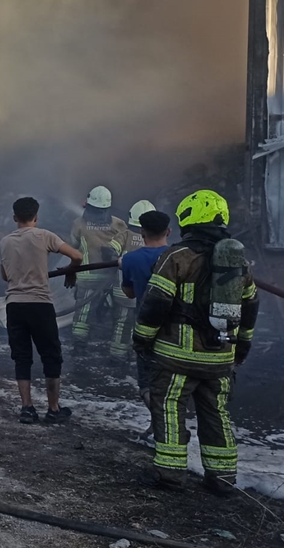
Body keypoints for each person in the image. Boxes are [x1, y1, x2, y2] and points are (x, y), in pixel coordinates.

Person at [134, 190, 258, 496]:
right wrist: (240, 349)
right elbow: (251, 306)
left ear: (188, 219)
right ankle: (223, 478)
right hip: (220, 359)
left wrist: (142, 339)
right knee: (216, 413)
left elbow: (155, 303)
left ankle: (171, 476)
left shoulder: (176, 257)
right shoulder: (239, 261)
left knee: (171, 408)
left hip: (176, 356)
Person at [0, 197, 82, 425]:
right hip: (40, 304)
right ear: (36, 217)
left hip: (14, 305)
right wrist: (70, 271)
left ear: (15, 218)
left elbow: (5, 276)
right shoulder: (45, 236)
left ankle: (27, 408)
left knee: (22, 357)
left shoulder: (5, 242)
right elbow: (77, 256)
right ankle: (53, 408)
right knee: (51, 355)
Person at [120, 209, 172, 420]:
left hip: (145, 328)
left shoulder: (130, 259)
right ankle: (167, 424)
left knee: (147, 382)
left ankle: (160, 424)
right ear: (168, 231)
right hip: (175, 329)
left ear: (142, 232)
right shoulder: (177, 256)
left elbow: (129, 293)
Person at [69, 185, 127, 349]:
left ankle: (79, 346)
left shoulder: (78, 223)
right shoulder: (119, 224)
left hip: (88, 276)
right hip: (114, 277)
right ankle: (117, 348)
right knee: (120, 313)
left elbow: (73, 246)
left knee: (83, 312)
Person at [108, 200, 156, 359]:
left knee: (122, 322)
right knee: (143, 324)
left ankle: (117, 355)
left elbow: (109, 251)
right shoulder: (154, 239)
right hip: (147, 292)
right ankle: (137, 355)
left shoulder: (125, 235)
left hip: (123, 289)